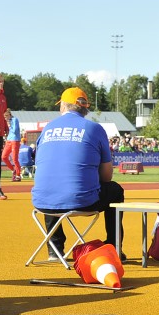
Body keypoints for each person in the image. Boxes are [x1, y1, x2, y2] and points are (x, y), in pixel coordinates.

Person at [31, 87, 125, 261]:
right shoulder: (94, 128)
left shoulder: (47, 129)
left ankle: (54, 249)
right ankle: (114, 246)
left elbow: (42, 166)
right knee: (115, 190)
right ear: (85, 107)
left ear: (63, 107)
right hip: (82, 201)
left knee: (51, 185)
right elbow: (106, 177)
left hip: (41, 202)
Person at [1, 108, 22, 181]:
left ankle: (18, 175)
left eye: (6, 116)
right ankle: (13, 170)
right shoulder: (7, 121)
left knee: (14, 158)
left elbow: (15, 131)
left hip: (15, 140)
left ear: (9, 115)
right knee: (4, 156)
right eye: (4, 117)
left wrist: (9, 125)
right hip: (9, 140)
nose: (5, 118)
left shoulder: (14, 120)